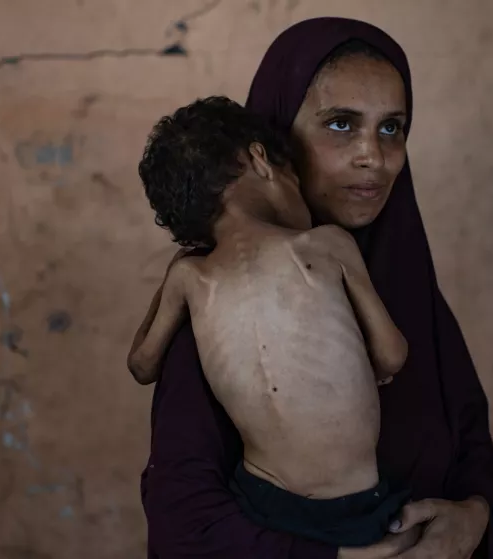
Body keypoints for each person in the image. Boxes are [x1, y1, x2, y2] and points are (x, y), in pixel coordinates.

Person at [140, 17, 493, 559]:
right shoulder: (217, 299)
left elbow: (471, 449)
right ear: (268, 147)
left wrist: (473, 514)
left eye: (393, 127)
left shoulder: (407, 283)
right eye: (341, 124)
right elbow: (186, 515)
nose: (374, 155)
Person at [128, 95, 411, 546]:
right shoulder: (325, 246)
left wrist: (175, 273)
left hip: (263, 502)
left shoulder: (191, 277)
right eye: (295, 178)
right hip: (354, 501)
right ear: (261, 159)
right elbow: (393, 355)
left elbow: (142, 366)